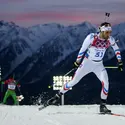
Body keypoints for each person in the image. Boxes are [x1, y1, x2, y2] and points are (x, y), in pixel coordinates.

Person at [44, 22, 123, 113]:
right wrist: (77, 62)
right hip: (87, 63)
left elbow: (116, 49)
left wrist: (120, 61)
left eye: (110, 32)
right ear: (101, 31)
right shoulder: (91, 38)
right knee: (74, 81)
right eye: (107, 32)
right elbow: (82, 49)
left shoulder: (110, 39)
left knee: (106, 83)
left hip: (99, 65)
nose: (109, 34)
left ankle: (102, 106)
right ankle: (57, 96)